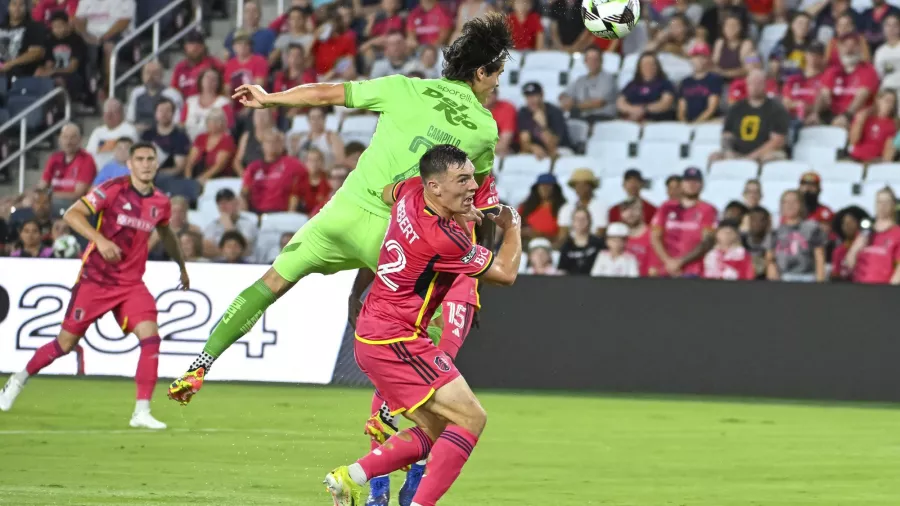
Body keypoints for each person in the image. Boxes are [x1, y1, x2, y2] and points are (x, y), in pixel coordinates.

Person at [168, 14, 513, 405]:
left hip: (340, 216)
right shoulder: (485, 129)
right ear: (481, 72)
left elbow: (324, 94)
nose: (498, 82)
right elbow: (470, 201)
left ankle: (200, 363)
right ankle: (387, 411)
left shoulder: (402, 87)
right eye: (497, 72)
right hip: (395, 238)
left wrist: (269, 98)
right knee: (423, 326)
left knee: (271, 284)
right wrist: (474, 279)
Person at [323, 145, 521, 506]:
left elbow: (387, 192)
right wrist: (512, 227)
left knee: (438, 429)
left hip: (375, 333)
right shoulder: (445, 238)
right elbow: (505, 274)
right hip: (395, 339)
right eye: (461, 180)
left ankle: (348, 478)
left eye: (471, 177)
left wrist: (458, 209)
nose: (471, 186)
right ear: (434, 186)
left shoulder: (411, 190)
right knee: (472, 418)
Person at [0, 142, 190, 430]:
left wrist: (182, 266)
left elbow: (167, 235)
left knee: (151, 337)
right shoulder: (113, 189)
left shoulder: (161, 202)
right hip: (96, 280)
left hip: (130, 284)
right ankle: (18, 379)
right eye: (140, 159)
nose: (146, 164)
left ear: (156, 164)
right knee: (65, 344)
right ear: (131, 164)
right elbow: (72, 214)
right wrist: (99, 240)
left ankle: (141, 411)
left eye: (151, 159)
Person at [363, 172, 499, 506]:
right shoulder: (430, 176)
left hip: (457, 288)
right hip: (418, 288)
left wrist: (475, 280)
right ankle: (377, 490)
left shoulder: (475, 171)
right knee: (394, 387)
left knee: (437, 392)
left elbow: (488, 224)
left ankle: (411, 484)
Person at [650, 167, 717, 278]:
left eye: (695, 181)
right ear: (682, 184)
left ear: (702, 185)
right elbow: (655, 237)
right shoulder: (666, 207)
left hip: (693, 269)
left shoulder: (708, 209)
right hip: (665, 267)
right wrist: (668, 261)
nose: (691, 184)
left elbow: (707, 241)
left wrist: (681, 262)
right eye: (688, 181)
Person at [711, 69, 789, 163]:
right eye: (752, 83)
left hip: (764, 154)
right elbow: (727, 135)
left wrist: (753, 156)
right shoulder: (736, 108)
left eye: (758, 83)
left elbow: (777, 141)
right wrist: (728, 151)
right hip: (738, 153)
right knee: (714, 157)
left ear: (765, 85)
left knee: (770, 157)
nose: (755, 87)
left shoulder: (776, 108)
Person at [814, 34, 879, 129]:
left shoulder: (868, 70)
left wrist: (846, 116)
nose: (849, 50)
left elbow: (862, 97)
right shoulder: (832, 71)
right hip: (832, 115)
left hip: (855, 116)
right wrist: (816, 113)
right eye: (845, 46)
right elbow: (824, 95)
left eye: (853, 45)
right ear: (839, 49)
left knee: (840, 125)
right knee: (811, 122)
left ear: (859, 49)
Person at [765, 189, 827, 283]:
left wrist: (820, 283)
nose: (790, 205)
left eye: (794, 202)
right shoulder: (775, 231)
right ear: (781, 206)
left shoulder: (812, 228)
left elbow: (819, 257)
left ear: (801, 205)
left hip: (808, 278)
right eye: (786, 202)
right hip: (783, 278)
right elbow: (769, 258)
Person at [241, 130, 308, 214]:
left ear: (282, 145)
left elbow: (306, 183)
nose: (272, 145)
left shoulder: (293, 164)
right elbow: (244, 191)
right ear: (262, 145)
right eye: (268, 141)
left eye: (276, 141)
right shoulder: (253, 167)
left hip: (280, 213)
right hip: (255, 212)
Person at [843, 188, 900, 284]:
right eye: (879, 202)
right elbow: (849, 263)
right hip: (860, 286)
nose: (882, 206)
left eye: (886, 202)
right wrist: (857, 246)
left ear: (893, 205)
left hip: (883, 288)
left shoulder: (897, 233)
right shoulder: (865, 232)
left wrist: (891, 290)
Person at [38, 123, 97, 204]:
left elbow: (77, 194)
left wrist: (49, 195)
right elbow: (42, 186)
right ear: (60, 140)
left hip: (73, 205)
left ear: (80, 140)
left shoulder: (87, 159)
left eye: (73, 137)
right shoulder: (54, 158)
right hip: (51, 202)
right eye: (65, 137)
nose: (68, 142)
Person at [617, 52, 677, 122]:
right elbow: (620, 103)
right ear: (639, 67)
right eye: (645, 64)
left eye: (651, 64)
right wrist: (633, 110)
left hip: (655, 121)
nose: (648, 67)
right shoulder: (632, 84)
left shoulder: (665, 83)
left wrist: (644, 110)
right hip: (631, 119)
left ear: (657, 66)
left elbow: (665, 104)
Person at [517, 81, 572, 158]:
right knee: (522, 155)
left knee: (555, 154)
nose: (531, 100)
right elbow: (524, 142)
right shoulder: (524, 112)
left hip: (560, 149)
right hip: (539, 150)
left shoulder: (555, 112)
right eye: (528, 96)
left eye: (534, 95)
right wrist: (533, 147)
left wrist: (543, 126)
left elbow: (553, 145)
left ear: (542, 95)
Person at [201, 188, 259, 259]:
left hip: (243, 265)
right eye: (220, 203)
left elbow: (243, 249)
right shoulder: (213, 225)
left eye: (227, 201)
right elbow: (205, 250)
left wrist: (228, 226)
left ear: (236, 203)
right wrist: (229, 251)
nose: (223, 205)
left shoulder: (248, 224)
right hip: (217, 264)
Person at [141, 98, 191, 177]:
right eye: (160, 111)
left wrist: (156, 172)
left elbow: (179, 168)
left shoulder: (181, 137)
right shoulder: (147, 135)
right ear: (155, 113)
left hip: (169, 178)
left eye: (168, 111)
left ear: (173, 114)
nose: (164, 114)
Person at [555, 168, 607, 244]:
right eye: (577, 185)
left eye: (584, 185)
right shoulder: (566, 208)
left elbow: (600, 233)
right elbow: (563, 234)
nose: (580, 188)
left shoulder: (600, 207)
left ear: (592, 187)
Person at [566, 46, 617, 123]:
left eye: (595, 59)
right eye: (589, 59)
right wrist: (565, 100)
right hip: (582, 117)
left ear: (601, 61)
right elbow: (566, 95)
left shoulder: (608, 79)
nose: (592, 62)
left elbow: (598, 103)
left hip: (602, 118)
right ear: (585, 61)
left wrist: (573, 106)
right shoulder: (580, 80)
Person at [181, 68, 235, 140]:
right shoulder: (190, 101)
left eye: (214, 79)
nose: (210, 81)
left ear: (218, 83)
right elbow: (181, 124)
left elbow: (228, 129)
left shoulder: (224, 103)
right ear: (201, 80)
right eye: (207, 78)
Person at [184, 109, 236, 184]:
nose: (213, 124)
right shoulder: (200, 138)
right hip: (196, 176)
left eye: (217, 121)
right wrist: (188, 178)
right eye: (211, 120)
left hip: (217, 179)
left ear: (223, 123)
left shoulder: (227, 140)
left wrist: (199, 180)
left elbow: (219, 166)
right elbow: (190, 162)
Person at [678, 42, 724, 123]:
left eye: (702, 57)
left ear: (708, 59)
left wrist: (696, 123)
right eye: (695, 56)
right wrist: (684, 122)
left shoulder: (714, 79)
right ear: (691, 59)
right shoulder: (685, 82)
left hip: (708, 122)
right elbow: (681, 109)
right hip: (687, 124)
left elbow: (711, 108)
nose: (698, 60)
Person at [86, 98, 138, 169]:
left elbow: (126, 153)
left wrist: (103, 146)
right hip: (98, 173)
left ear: (121, 113)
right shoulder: (97, 132)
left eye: (113, 112)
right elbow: (89, 153)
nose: (109, 116)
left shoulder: (129, 130)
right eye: (106, 112)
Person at [0, 0, 47, 80]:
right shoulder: (1, 27)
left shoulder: (35, 27)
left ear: (26, 8)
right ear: (8, 7)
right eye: (14, 4)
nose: (17, 8)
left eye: (21, 5)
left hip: (21, 74)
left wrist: (10, 64)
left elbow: (36, 52)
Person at [848, 89, 898, 163]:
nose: (889, 105)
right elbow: (853, 141)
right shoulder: (864, 117)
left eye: (892, 103)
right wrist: (860, 121)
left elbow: (887, 155)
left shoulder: (892, 125)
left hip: (874, 162)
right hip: (854, 159)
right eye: (887, 101)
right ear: (878, 100)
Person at [171, 31, 224, 98]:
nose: (195, 48)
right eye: (191, 44)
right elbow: (174, 90)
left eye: (198, 45)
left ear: (203, 47)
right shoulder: (180, 67)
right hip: (186, 105)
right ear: (185, 47)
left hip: (207, 103)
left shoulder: (214, 63)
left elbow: (224, 87)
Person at [769, 11, 814, 82]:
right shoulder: (782, 45)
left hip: (804, 83)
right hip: (784, 82)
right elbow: (774, 66)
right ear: (792, 25)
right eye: (800, 23)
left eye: (807, 24)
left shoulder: (813, 46)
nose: (804, 27)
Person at [519, 173, 566, 241]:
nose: (544, 188)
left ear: (555, 189)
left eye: (548, 185)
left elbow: (562, 238)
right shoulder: (525, 207)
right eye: (541, 185)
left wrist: (539, 235)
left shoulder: (562, 209)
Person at [557, 207, 604, 275]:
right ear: (573, 222)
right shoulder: (567, 246)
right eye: (577, 219)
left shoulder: (598, 243)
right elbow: (561, 270)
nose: (580, 222)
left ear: (589, 221)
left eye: (583, 219)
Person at [621, 197, 658, 277]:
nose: (630, 213)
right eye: (626, 210)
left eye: (634, 209)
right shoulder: (616, 235)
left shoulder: (652, 235)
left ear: (642, 212)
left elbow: (654, 271)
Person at [712, 13, 753, 81]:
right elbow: (713, 64)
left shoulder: (747, 44)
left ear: (741, 27)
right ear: (723, 28)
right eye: (727, 25)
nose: (731, 28)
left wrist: (724, 73)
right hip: (720, 81)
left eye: (734, 25)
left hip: (739, 82)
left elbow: (747, 69)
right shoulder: (719, 43)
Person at [830, 209, 865, 281]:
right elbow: (836, 274)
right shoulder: (838, 251)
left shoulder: (865, 246)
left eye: (851, 222)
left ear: (857, 223)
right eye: (845, 223)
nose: (848, 226)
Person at [743, 206, 771, 280]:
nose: (758, 223)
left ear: (768, 222)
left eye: (762, 220)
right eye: (754, 219)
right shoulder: (741, 239)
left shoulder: (774, 239)